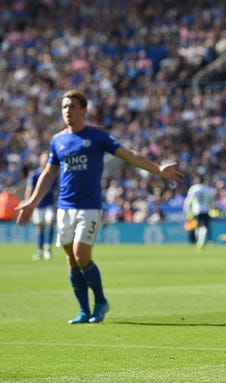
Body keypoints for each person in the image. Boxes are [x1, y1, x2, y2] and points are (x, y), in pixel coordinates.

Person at [16, 89, 184, 324]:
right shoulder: (58, 141)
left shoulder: (97, 137)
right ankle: (84, 310)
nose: (67, 111)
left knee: (80, 254)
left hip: (89, 207)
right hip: (65, 207)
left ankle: (101, 301)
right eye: (64, 107)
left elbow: (130, 155)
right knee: (71, 259)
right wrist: (32, 202)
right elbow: (49, 172)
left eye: (72, 107)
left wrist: (158, 169)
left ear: (83, 110)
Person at [25, 151, 57, 260]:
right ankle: (40, 250)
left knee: (50, 222)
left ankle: (48, 248)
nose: (46, 160)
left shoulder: (53, 174)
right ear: (40, 160)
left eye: (47, 158)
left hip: (49, 204)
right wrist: (28, 203)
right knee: (40, 227)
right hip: (38, 205)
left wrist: (57, 203)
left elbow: (57, 189)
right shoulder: (34, 174)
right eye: (44, 158)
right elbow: (29, 189)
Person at [183, 175, 215, 250]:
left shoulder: (193, 189)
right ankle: (200, 243)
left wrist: (187, 210)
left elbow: (188, 201)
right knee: (203, 228)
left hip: (196, 211)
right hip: (205, 211)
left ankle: (199, 242)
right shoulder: (208, 189)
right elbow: (212, 201)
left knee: (198, 227)